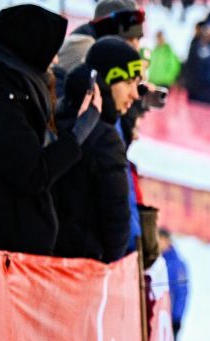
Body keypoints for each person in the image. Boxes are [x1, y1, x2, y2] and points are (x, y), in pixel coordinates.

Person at [0, 4, 100, 256]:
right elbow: (32, 172)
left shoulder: (16, 79)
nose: (56, 59)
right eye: (51, 50)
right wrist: (79, 133)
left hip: (3, 245)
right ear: (30, 47)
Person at [53, 39, 144, 263]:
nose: (135, 94)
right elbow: (117, 225)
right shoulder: (105, 138)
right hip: (84, 270)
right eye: (129, 82)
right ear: (105, 82)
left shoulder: (57, 115)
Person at [158, 228, 188, 341]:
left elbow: (182, 292)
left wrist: (177, 317)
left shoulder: (177, 264)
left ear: (168, 241)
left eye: (161, 239)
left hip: (170, 316)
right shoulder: (156, 260)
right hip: (157, 316)